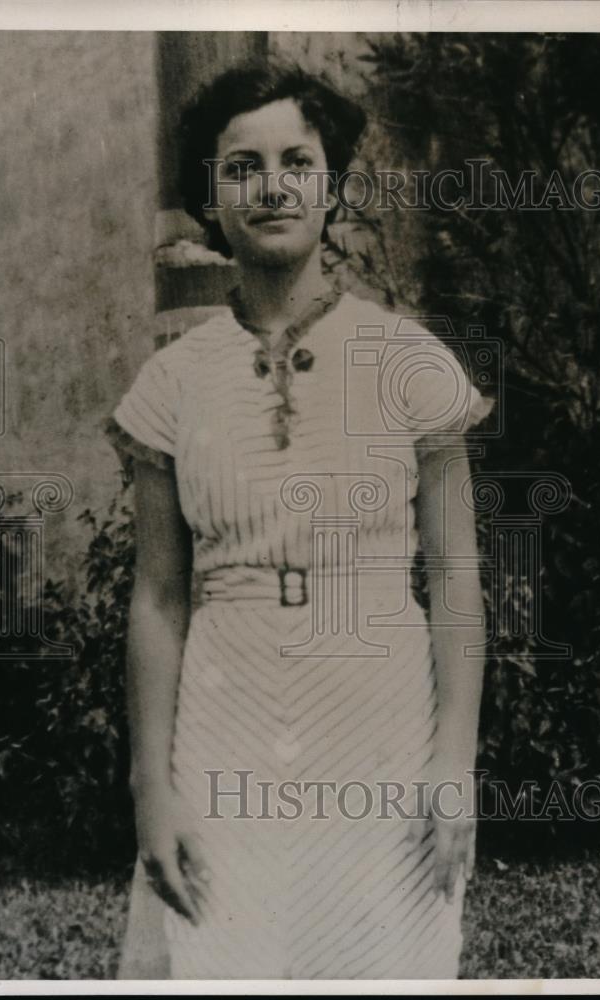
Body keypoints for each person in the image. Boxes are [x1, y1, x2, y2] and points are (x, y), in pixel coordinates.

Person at [104, 58, 493, 980]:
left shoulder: (409, 361)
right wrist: (150, 785)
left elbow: (456, 580)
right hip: (223, 717)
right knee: (222, 951)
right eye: (242, 166)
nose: (271, 185)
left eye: (296, 161)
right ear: (212, 194)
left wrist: (453, 762)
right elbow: (158, 599)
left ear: (330, 184)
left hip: (378, 719)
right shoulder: (172, 385)